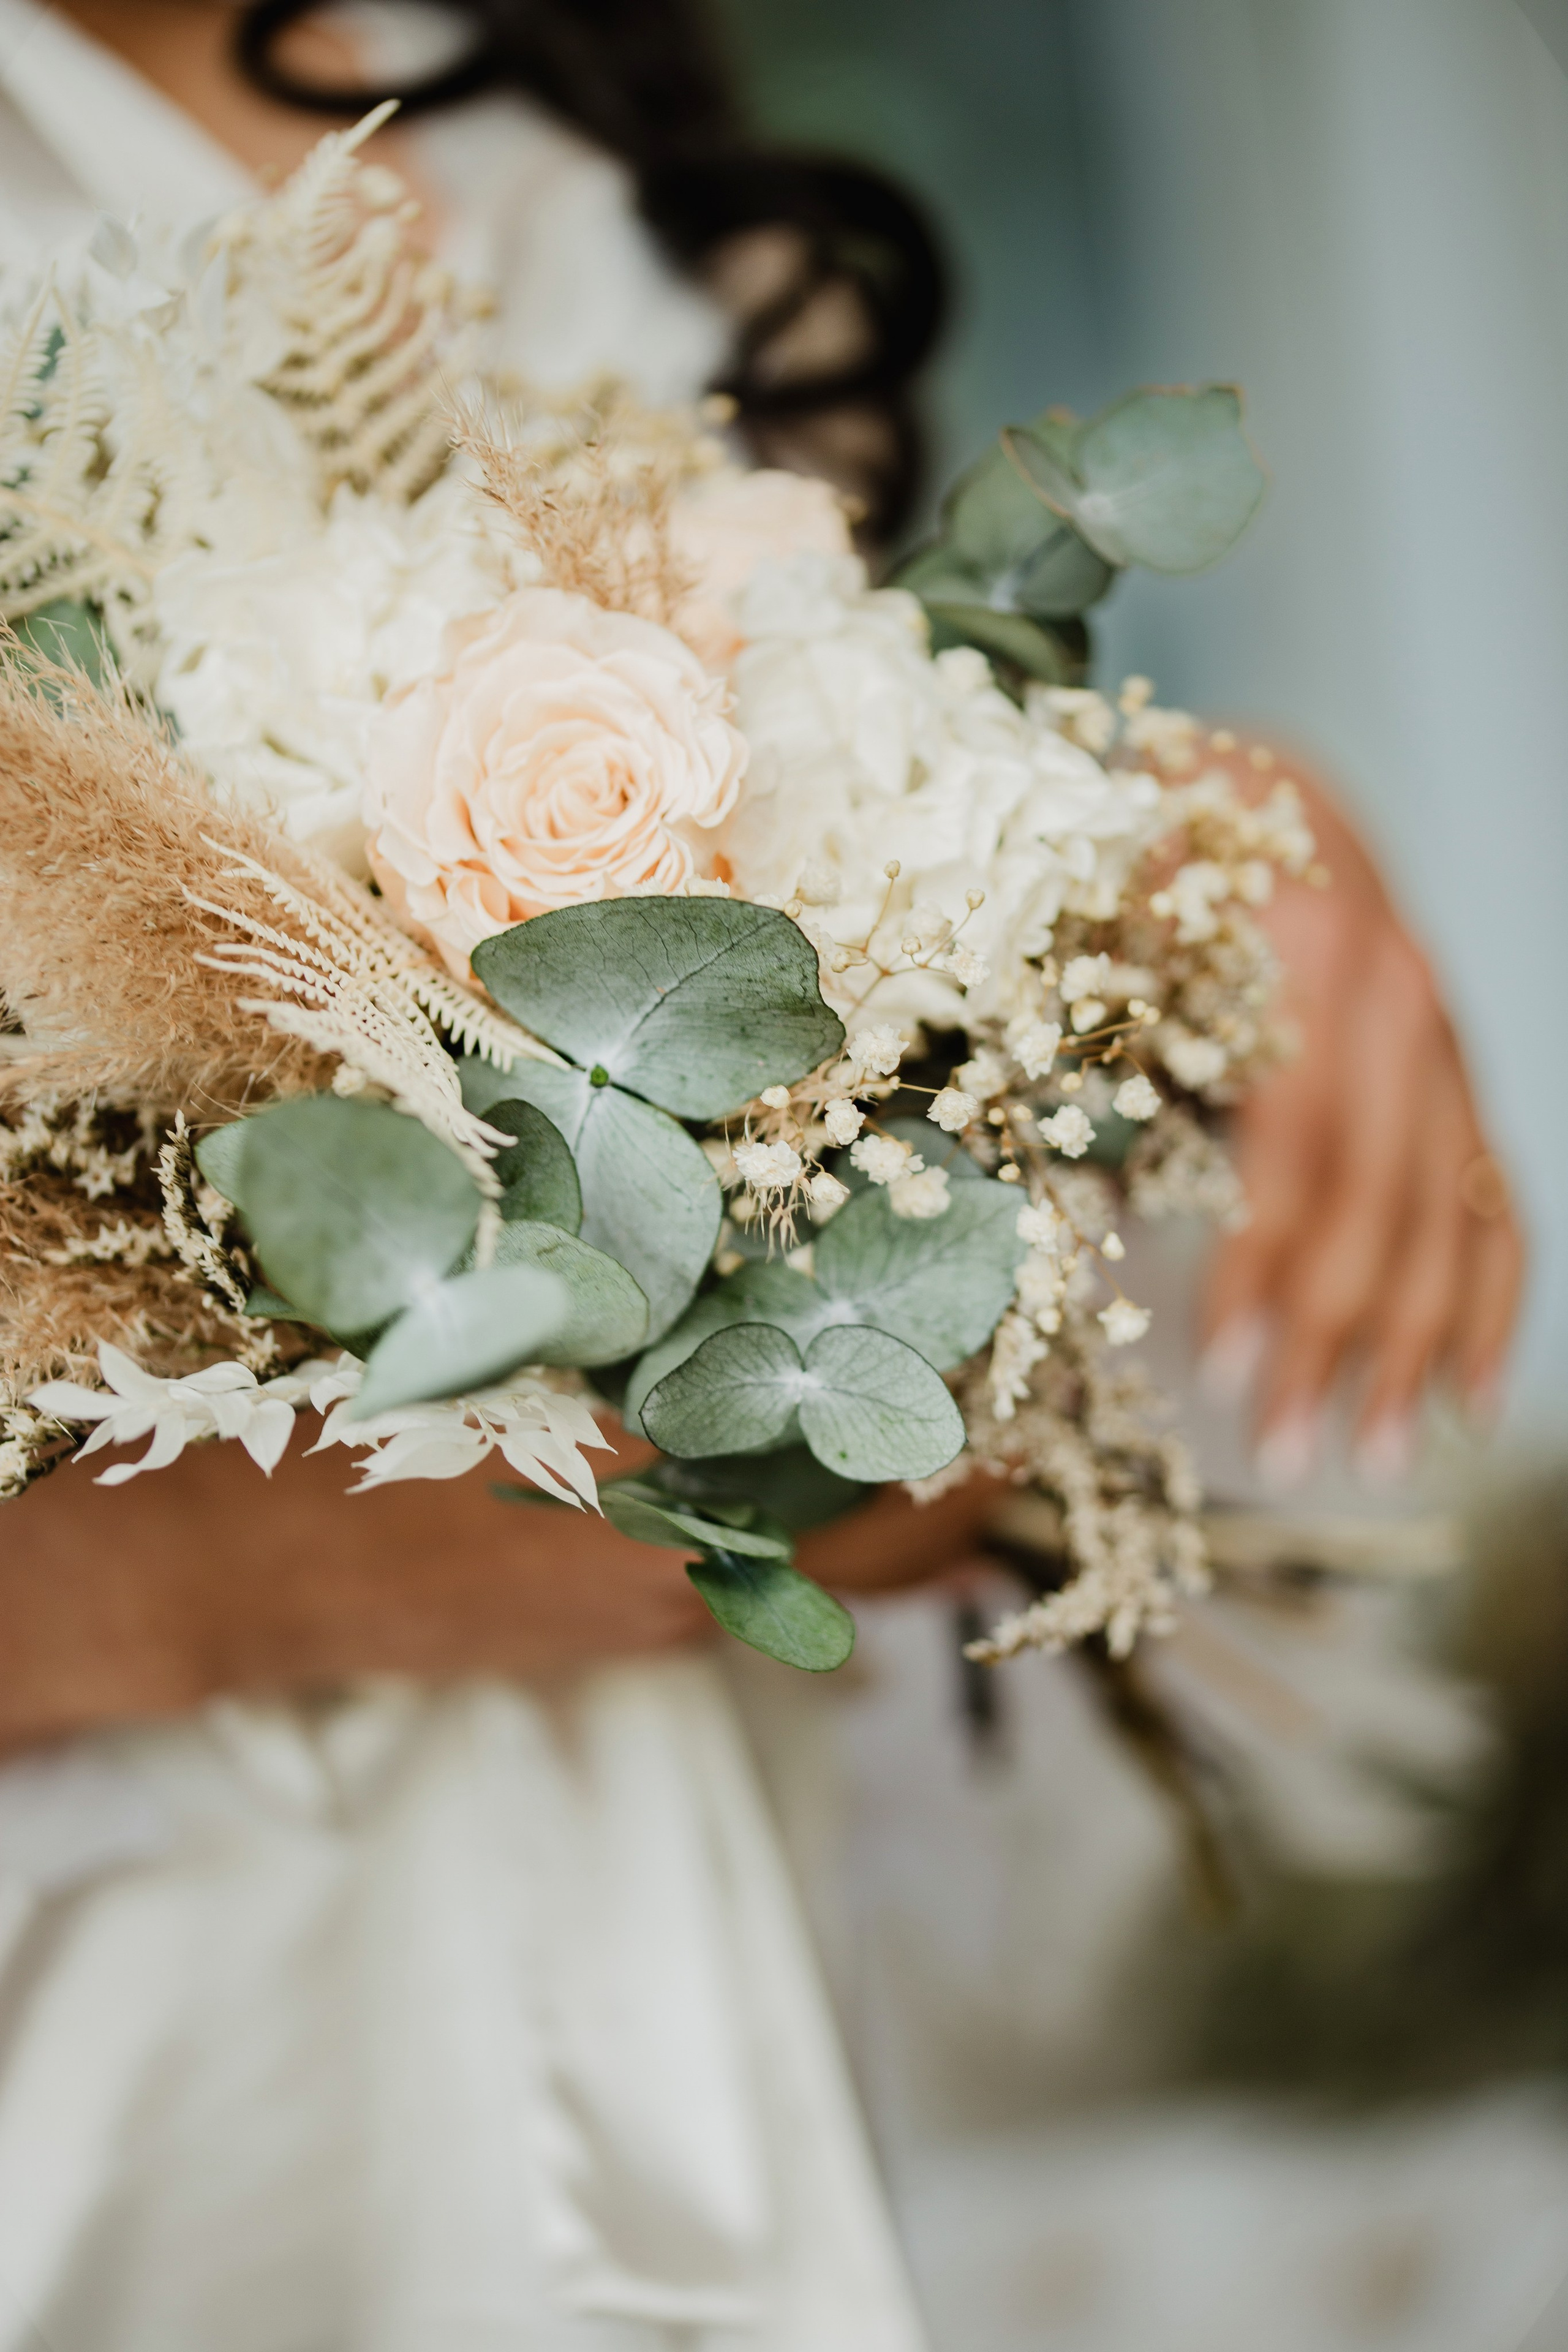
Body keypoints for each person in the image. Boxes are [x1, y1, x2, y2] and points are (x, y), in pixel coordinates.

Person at [0, 4, 1524, 2348]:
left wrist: (1191, 882)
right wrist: (229, 1576)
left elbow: (875, 1324)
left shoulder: (533, 137)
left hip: (685, 1992)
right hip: (128, 2063)